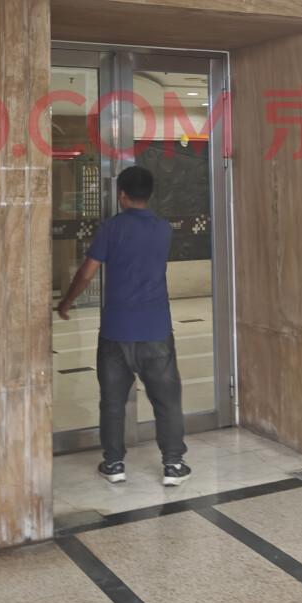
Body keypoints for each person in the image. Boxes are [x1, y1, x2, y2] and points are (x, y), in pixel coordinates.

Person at [55, 164, 191, 487]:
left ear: (122, 195)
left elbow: (86, 273)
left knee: (113, 402)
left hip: (115, 331)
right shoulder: (163, 229)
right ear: (150, 195)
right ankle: (173, 464)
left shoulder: (111, 229)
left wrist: (66, 302)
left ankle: (114, 463)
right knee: (167, 400)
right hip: (156, 330)